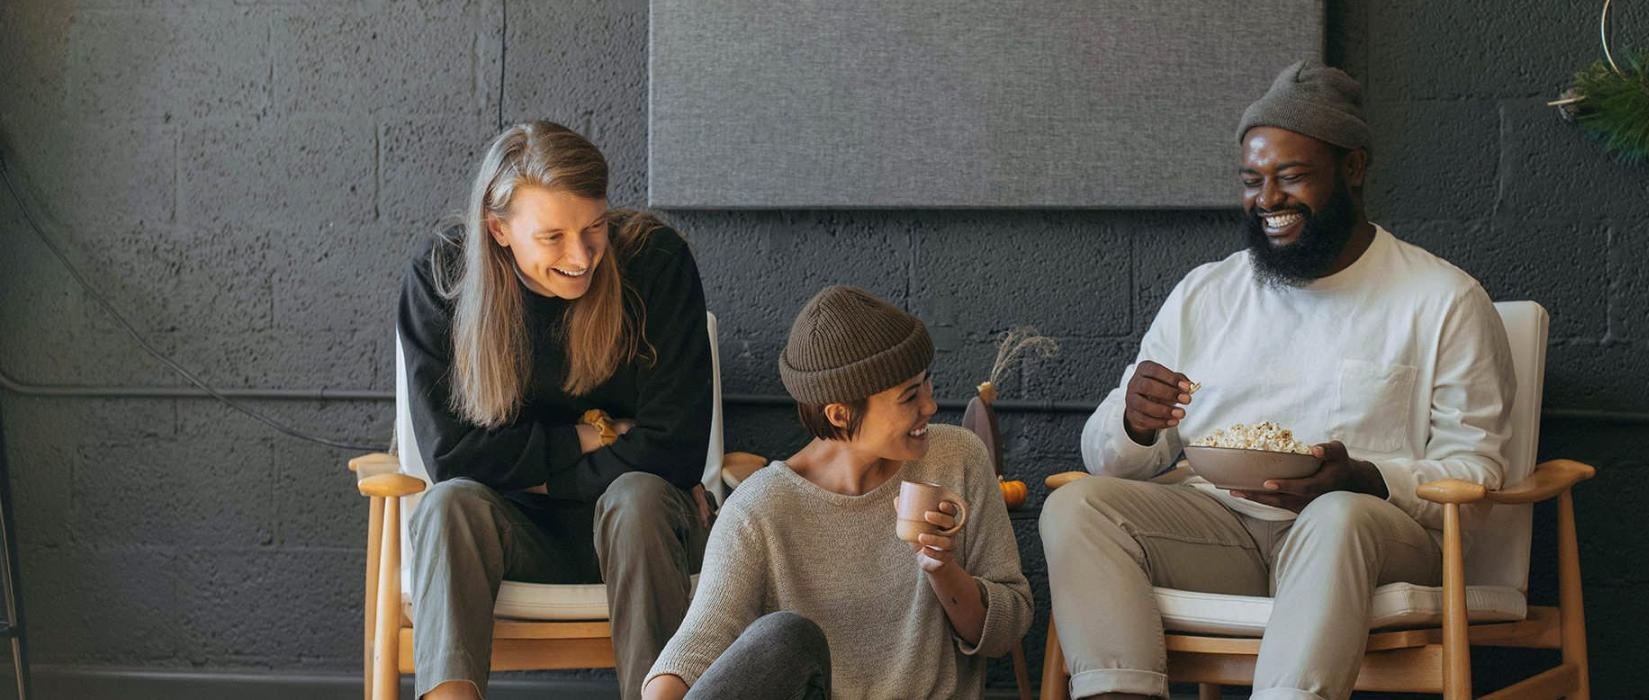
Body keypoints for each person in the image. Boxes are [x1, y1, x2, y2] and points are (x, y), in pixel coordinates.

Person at [1040, 60, 1516, 700]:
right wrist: (1134, 420)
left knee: (1338, 514)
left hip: (1372, 538)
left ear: (1353, 169)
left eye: (1291, 177)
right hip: (1222, 527)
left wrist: (1370, 479)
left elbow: (1478, 471)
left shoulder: (1443, 299)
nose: (1267, 201)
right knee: (1077, 505)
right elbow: (1106, 460)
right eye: (1252, 180)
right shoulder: (1208, 292)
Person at [399, 121, 715, 700]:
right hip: (515, 534)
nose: (582, 256)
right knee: (448, 506)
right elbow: (451, 456)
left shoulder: (654, 261)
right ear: (499, 230)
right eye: (553, 237)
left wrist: (530, 473)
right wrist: (590, 437)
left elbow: (674, 451)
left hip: (646, 535)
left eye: (594, 227)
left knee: (639, 497)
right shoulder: (442, 276)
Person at [643, 286, 1033, 699]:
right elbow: (695, 648)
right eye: (909, 396)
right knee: (783, 637)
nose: (929, 406)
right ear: (840, 413)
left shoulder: (957, 459)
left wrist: (942, 568)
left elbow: (1005, 633)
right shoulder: (759, 510)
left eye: (927, 383)